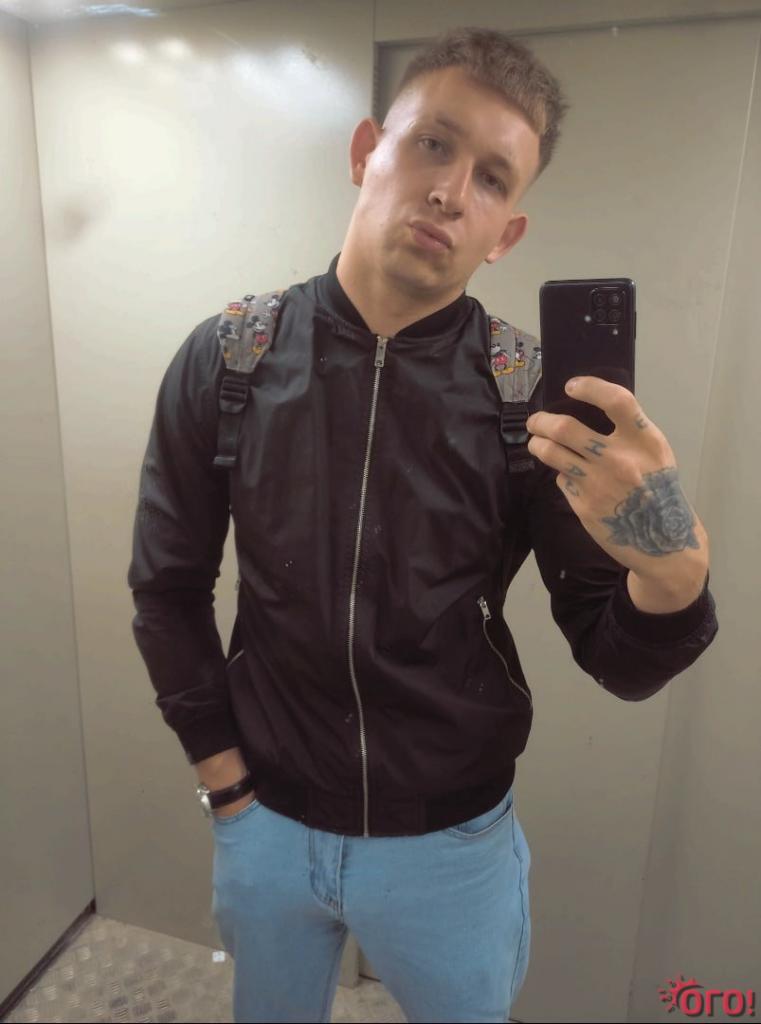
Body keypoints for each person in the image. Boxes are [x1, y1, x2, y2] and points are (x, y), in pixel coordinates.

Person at [127, 26, 718, 1024]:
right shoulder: (230, 358)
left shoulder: (529, 398)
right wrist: (224, 786)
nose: (449, 191)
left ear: (505, 233)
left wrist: (672, 576)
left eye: (491, 178)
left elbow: (614, 657)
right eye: (431, 145)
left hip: (451, 848)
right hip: (265, 824)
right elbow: (166, 587)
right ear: (368, 152)